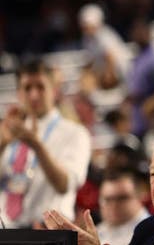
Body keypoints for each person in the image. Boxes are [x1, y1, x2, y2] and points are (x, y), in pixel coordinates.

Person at [0, 60, 91, 228]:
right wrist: (2, 145)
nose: (34, 95)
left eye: (40, 87)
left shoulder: (76, 133)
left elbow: (65, 185)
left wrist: (37, 146)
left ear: (54, 90)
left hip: (49, 231)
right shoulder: (8, 131)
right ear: (19, 93)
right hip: (6, 230)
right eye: (27, 88)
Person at [94, 171, 149, 245]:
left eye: (122, 198)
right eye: (107, 199)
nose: (114, 205)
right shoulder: (99, 229)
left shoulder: (150, 233)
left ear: (141, 197)